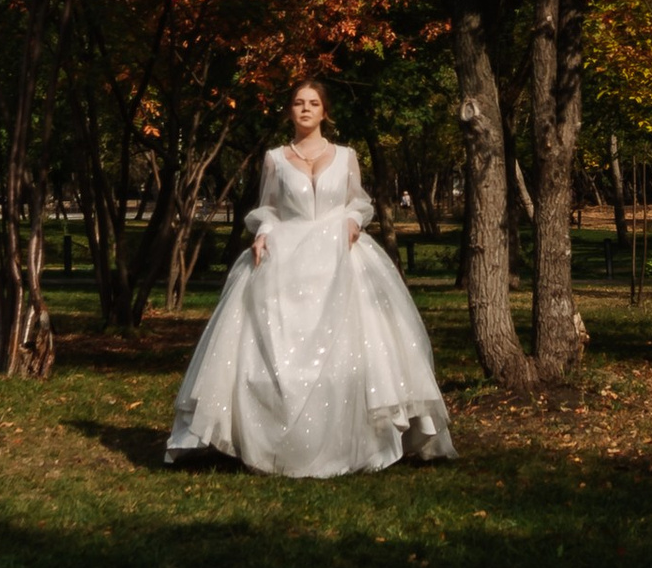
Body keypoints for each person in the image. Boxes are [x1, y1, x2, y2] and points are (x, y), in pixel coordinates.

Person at [164, 79, 455, 479]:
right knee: (273, 348)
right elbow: (268, 208)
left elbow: (359, 201)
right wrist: (263, 233)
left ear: (324, 111)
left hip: (340, 255)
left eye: (313, 103)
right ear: (290, 111)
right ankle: (269, 436)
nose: (305, 109)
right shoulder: (275, 158)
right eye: (298, 103)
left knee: (360, 347)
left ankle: (358, 438)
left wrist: (354, 219)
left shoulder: (346, 155)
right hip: (288, 258)